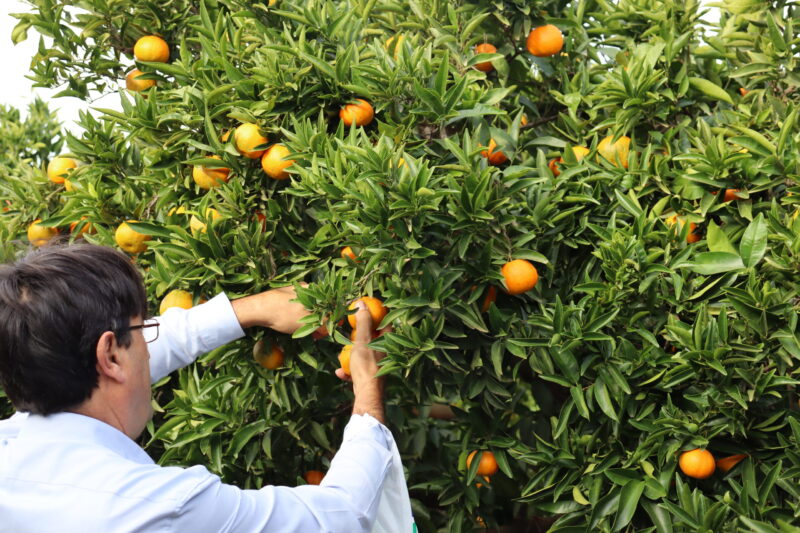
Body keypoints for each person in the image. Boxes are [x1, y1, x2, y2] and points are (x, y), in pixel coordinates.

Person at [0, 243, 394, 532]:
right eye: (142, 329)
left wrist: (252, 309)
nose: (150, 347)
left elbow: (135, 347)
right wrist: (368, 393)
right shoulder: (159, 508)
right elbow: (342, 515)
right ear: (112, 357)